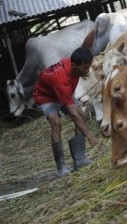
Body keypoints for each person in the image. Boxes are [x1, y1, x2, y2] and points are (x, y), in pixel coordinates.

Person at [32, 47, 99, 176]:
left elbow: (76, 113)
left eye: (88, 67)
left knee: (82, 115)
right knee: (56, 123)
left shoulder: (76, 65)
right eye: (84, 68)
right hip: (45, 96)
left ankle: (79, 160)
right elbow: (72, 114)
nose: (87, 71)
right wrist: (91, 137)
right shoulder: (61, 78)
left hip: (63, 92)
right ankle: (61, 166)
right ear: (73, 66)